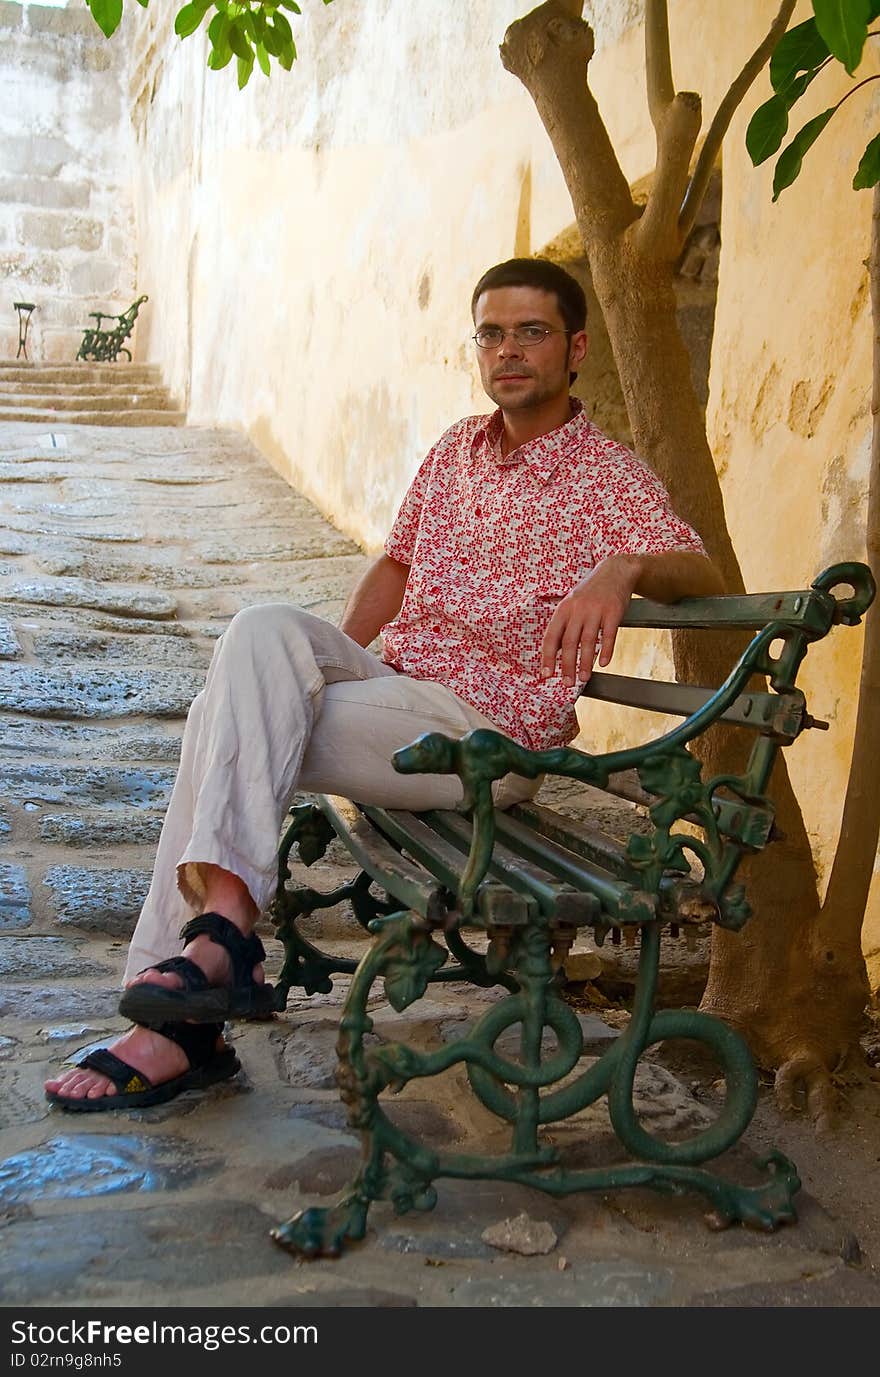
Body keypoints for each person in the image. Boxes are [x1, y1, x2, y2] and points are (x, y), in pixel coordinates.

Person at [45, 257, 723, 1110]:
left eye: (532, 332)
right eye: (491, 332)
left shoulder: (602, 475)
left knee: (227, 720)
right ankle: (210, 955)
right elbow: (397, 567)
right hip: (397, 694)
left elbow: (701, 565)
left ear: (576, 347)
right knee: (260, 638)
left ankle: (185, 999)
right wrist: (316, 663)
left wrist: (621, 567)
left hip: (486, 738)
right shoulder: (455, 450)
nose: (507, 350)